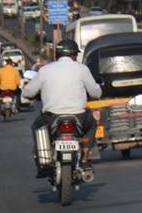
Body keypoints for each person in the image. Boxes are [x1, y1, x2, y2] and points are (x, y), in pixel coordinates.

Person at [22, 38, 101, 174]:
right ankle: (85, 157)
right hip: (79, 117)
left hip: (51, 117)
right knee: (92, 125)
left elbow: (27, 92)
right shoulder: (82, 69)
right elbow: (96, 92)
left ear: (57, 55)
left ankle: (43, 159)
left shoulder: (45, 70)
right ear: (73, 55)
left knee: (37, 126)